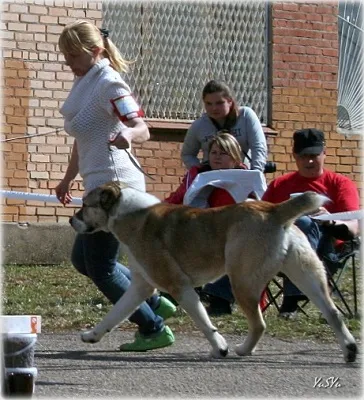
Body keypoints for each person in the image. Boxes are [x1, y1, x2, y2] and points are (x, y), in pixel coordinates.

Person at [55, 20, 176, 351]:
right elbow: (83, 140)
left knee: (101, 267)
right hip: (97, 186)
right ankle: (153, 302)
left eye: (72, 55)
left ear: (95, 52)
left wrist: (128, 134)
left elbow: (142, 126)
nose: (68, 62)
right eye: (64, 55)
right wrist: (67, 178)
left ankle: (153, 327)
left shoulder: (109, 84)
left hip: (117, 189)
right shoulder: (84, 85)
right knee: (83, 261)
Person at [262, 128, 360, 319]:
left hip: (328, 249)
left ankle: (292, 299)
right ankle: (219, 297)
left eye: (314, 156)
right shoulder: (279, 185)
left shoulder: (340, 184)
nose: (309, 161)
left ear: (324, 153)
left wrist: (328, 218)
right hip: (279, 246)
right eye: (304, 156)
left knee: (304, 223)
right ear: (295, 156)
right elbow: (264, 219)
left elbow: (353, 226)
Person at [166, 132, 267, 315]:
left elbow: (262, 207)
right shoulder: (200, 175)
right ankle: (176, 295)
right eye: (214, 152)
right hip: (205, 232)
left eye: (223, 153)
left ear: (235, 157)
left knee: (231, 249)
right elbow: (176, 199)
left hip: (241, 235)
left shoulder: (248, 178)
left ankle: (219, 300)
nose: (217, 157)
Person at [181, 80, 268, 172]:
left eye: (219, 103)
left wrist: (256, 172)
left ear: (230, 101)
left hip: (242, 176)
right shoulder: (199, 125)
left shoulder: (245, 116)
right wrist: (201, 171)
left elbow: (259, 146)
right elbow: (187, 154)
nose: (214, 108)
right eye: (209, 104)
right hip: (212, 179)